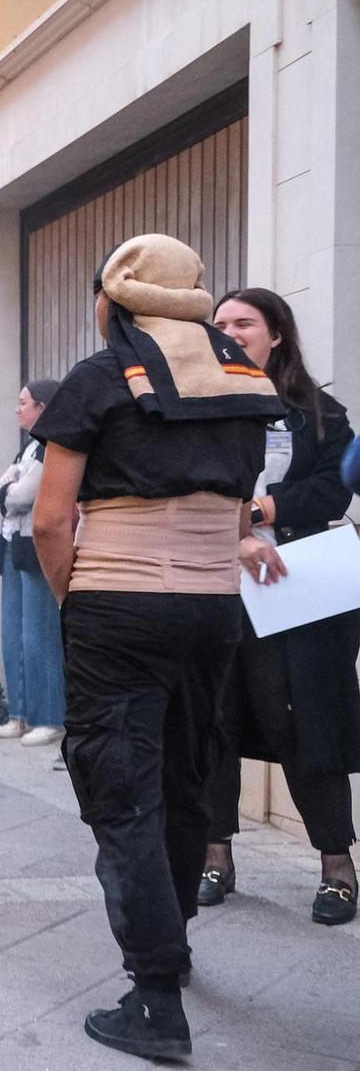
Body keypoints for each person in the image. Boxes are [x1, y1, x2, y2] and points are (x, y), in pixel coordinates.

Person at [31, 235, 283, 1062]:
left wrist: (80, 597)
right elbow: (239, 511)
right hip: (214, 607)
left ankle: (155, 993)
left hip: (118, 602)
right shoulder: (247, 382)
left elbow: (48, 518)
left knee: (121, 784)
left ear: (116, 299)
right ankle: (171, 939)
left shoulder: (100, 378)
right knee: (185, 772)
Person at [200, 288, 358, 926]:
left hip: (299, 591)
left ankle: (337, 866)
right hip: (215, 587)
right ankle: (215, 855)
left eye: (244, 322)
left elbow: (333, 484)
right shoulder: (200, 408)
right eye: (221, 324)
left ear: (277, 337)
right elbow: (186, 488)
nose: (231, 331)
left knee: (305, 722)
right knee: (216, 720)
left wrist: (265, 511)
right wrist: (236, 535)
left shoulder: (319, 412)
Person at [0, 381, 67, 747]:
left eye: (23, 403)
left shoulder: (52, 445)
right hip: (11, 544)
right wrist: (10, 488)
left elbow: (22, 496)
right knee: (15, 633)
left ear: (42, 406)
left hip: (37, 546)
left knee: (40, 635)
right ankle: (19, 713)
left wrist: (11, 488)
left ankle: (49, 717)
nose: (17, 410)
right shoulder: (28, 448)